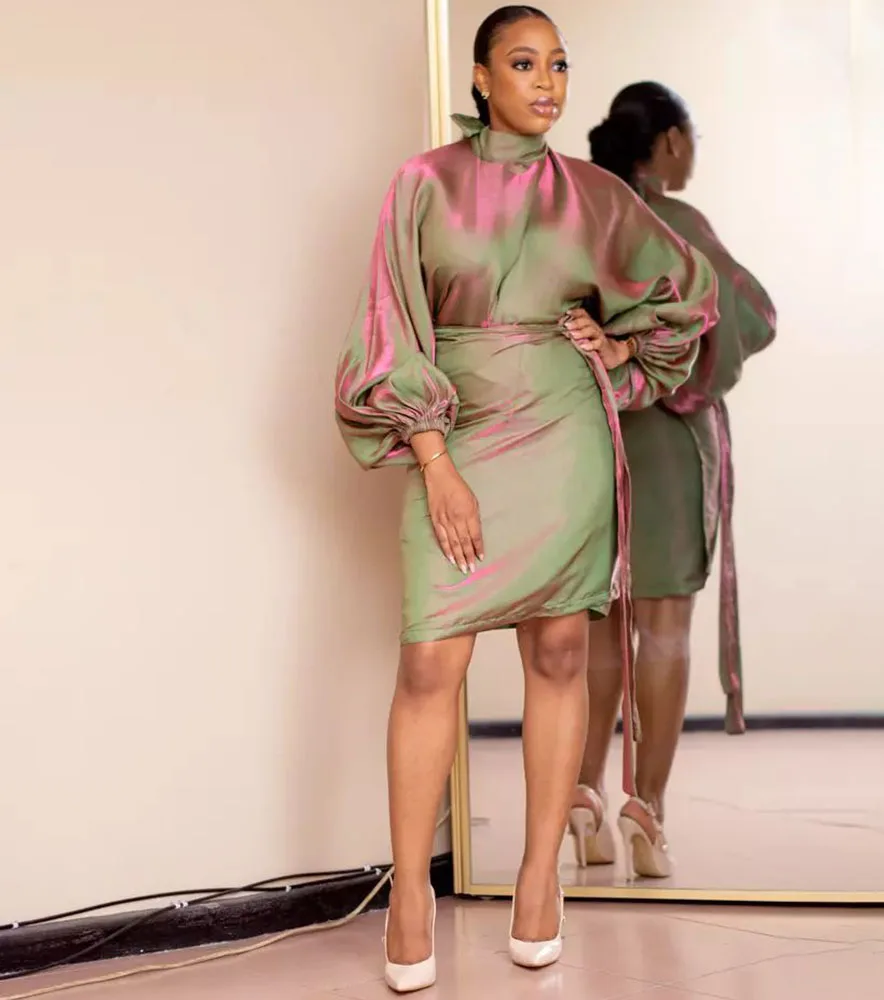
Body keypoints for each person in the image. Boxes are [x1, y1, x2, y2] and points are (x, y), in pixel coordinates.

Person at [335, 9, 719, 992]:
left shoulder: (592, 194)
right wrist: (435, 460)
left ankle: (540, 874)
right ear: (480, 77)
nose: (546, 81)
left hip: (563, 438)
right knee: (431, 661)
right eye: (522, 62)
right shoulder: (423, 183)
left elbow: (687, 292)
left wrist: (621, 345)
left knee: (558, 653)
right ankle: (411, 896)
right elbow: (390, 327)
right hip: (456, 432)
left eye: (558, 64)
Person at [570, 82, 777, 880]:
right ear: (667, 143)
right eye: (689, 139)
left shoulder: (577, 218)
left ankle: (584, 797)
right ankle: (646, 811)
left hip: (590, 437)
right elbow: (752, 316)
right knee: (661, 630)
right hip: (665, 442)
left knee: (597, 629)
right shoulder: (679, 226)